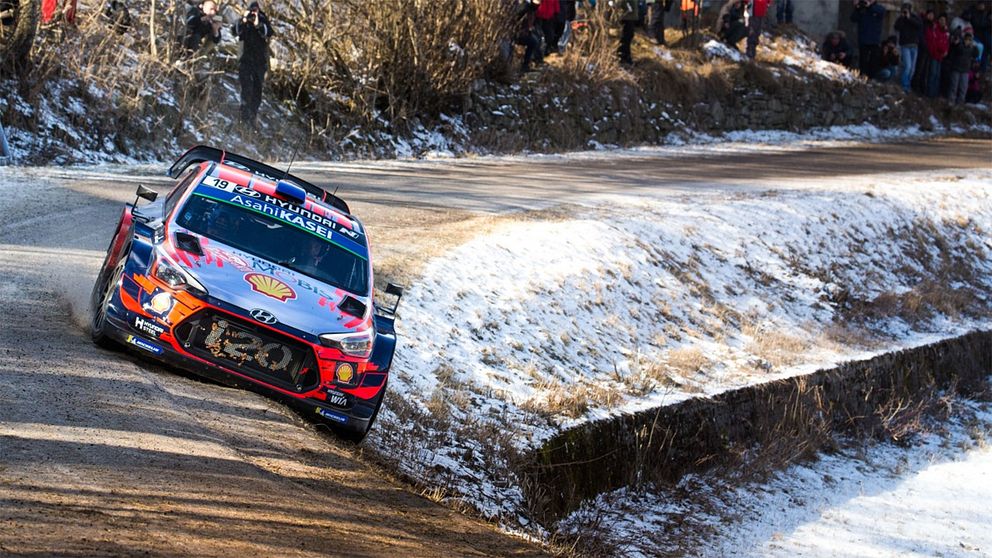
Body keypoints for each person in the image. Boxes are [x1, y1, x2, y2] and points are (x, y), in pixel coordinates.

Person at [233, 1, 273, 127]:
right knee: (246, 88)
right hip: (245, 59)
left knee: (257, 90)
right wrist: (244, 20)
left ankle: (252, 116)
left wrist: (258, 24)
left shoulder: (263, 19)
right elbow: (235, 31)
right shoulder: (243, 21)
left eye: (255, 10)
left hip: (259, 62)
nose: (253, 13)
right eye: (252, 11)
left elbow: (269, 32)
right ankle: (243, 117)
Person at [850, 0, 886, 79]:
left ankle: (871, 78)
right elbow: (853, 18)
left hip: (874, 40)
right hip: (863, 39)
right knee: (863, 60)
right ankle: (862, 77)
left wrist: (869, 6)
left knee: (873, 61)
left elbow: (880, 12)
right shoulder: (862, 9)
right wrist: (857, 8)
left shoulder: (879, 8)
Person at [893, 2, 922, 91]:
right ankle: (904, 86)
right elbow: (896, 27)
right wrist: (902, 18)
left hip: (914, 46)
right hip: (905, 46)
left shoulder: (915, 17)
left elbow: (919, 25)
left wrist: (909, 18)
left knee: (912, 69)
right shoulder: (901, 19)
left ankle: (908, 84)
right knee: (907, 66)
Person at [947, 31, 979, 104]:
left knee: (963, 87)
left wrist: (974, 46)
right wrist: (958, 43)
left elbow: (976, 55)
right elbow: (956, 49)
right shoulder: (959, 45)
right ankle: (951, 101)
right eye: (967, 39)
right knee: (954, 86)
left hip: (965, 70)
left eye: (970, 40)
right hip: (956, 68)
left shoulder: (972, 48)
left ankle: (960, 102)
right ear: (964, 39)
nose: (968, 41)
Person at [924, 14, 949, 97]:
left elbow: (946, 43)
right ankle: (929, 93)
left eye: (944, 20)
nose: (942, 22)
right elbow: (935, 42)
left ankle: (935, 94)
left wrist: (946, 51)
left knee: (937, 75)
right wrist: (939, 50)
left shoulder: (945, 31)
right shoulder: (935, 29)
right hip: (935, 55)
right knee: (933, 74)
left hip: (941, 56)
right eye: (941, 20)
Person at [962, 0, 990, 71]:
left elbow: (986, 24)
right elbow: (977, 24)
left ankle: (981, 71)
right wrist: (986, 24)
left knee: (984, 53)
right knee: (977, 51)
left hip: (983, 37)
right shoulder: (974, 12)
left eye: (983, 5)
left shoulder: (985, 14)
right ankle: (975, 68)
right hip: (975, 36)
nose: (982, 6)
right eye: (980, 4)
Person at [514, 0, 541, 72]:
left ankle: (533, 62)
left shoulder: (531, 9)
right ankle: (525, 65)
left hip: (524, 32)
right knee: (533, 42)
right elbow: (516, 18)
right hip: (516, 33)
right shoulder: (525, 7)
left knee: (536, 40)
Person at [617, 0, 639, 65]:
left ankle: (627, 56)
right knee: (626, 37)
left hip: (630, 16)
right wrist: (628, 7)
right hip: (626, 16)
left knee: (629, 36)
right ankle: (622, 56)